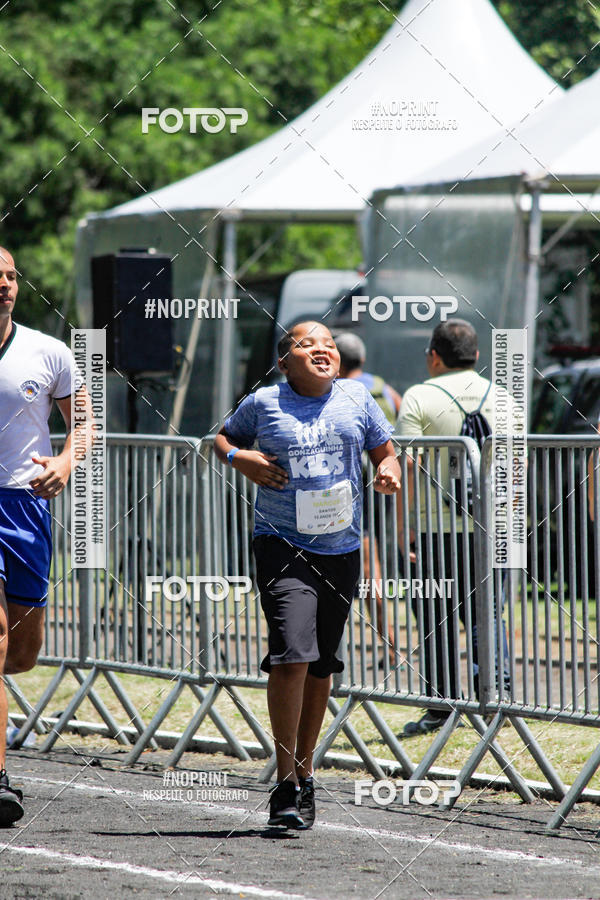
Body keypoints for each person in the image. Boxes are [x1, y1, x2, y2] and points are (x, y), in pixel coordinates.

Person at [214, 321, 400, 828]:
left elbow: (385, 449)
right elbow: (221, 439)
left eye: (329, 344)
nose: (322, 349)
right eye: (307, 343)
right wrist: (242, 459)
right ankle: (283, 784)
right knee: (292, 654)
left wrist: (389, 470)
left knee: (321, 663)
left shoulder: (358, 398)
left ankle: (305, 771)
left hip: (341, 549)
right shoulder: (265, 402)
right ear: (284, 361)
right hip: (281, 544)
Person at [0, 247, 92, 825]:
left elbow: (83, 422)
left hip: (26, 506)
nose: (6, 285)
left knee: (23, 651)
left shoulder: (47, 350)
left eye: (10, 276)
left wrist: (65, 462)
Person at [396, 319, 509, 736]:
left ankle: (441, 707)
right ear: (477, 357)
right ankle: (497, 697)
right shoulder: (505, 397)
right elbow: (520, 466)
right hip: (491, 528)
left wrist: (402, 527)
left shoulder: (419, 396)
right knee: (487, 613)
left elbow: (407, 466)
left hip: (435, 530)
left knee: (434, 614)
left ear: (433, 356)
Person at [334, 332, 402, 669]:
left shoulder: (339, 390)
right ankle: (389, 644)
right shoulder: (384, 388)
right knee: (374, 564)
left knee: (366, 567)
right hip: (387, 484)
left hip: (352, 488)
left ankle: (390, 646)